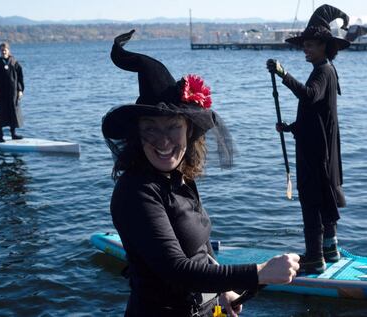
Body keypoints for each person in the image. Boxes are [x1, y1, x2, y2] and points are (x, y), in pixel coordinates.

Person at [102, 30, 300, 317]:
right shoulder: (136, 191)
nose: (163, 140)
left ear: (189, 130)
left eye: (172, 127)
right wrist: (259, 272)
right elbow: (176, 269)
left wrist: (222, 290)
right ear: (137, 135)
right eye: (151, 129)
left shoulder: (180, 177)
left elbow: (201, 247)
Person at [267, 4, 348, 274]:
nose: (306, 49)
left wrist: (283, 74)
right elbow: (318, 114)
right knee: (323, 197)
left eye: (311, 45)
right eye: (305, 45)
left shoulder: (323, 71)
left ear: (325, 46)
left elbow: (309, 96)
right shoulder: (325, 70)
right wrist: (291, 128)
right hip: (320, 147)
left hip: (317, 154)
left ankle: (314, 257)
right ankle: (330, 250)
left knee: (312, 201)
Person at [0, 42, 24, 143]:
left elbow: (20, 77)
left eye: (5, 50)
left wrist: (20, 90)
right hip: (1, 93)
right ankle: (0, 136)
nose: (4, 51)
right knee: (1, 114)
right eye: (2, 50)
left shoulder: (14, 62)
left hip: (13, 92)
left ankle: (13, 134)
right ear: (0, 51)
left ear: (8, 50)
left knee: (13, 112)